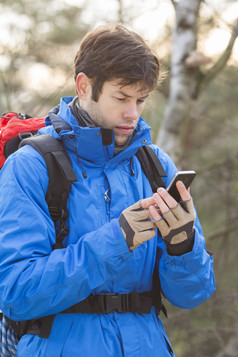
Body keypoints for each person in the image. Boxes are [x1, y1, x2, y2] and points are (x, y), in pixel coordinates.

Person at [0, 24, 215, 356]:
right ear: (84, 86)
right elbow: (16, 293)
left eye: (141, 100)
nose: (133, 114)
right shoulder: (31, 166)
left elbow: (193, 295)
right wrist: (116, 240)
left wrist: (182, 246)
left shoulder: (155, 164)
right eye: (121, 98)